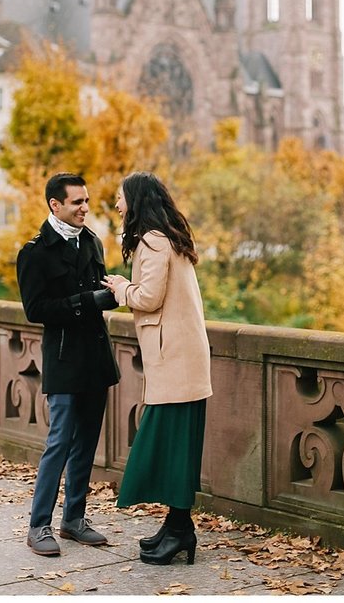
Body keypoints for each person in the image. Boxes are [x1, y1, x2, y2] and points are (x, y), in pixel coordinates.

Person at [100, 172, 212, 566]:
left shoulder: (153, 240)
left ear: (136, 200)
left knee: (170, 445)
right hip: (182, 359)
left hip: (175, 361)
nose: (116, 204)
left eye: (120, 197)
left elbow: (148, 297)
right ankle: (177, 527)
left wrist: (119, 289)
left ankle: (181, 529)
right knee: (177, 446)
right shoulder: (170, 236)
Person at [17, 172, 120, 556]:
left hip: (96, 357)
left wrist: (109, 294)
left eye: (87, 201)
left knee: (87, 442)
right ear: (54, 205)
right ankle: (38, 525)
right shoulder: (34, 252)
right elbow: (35, 309)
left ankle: (73, 520)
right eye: (77, 202)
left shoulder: (92, 241)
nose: (85, 208)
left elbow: (96, 288)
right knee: (59, 441)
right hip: (61, 358)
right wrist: (86, 302)